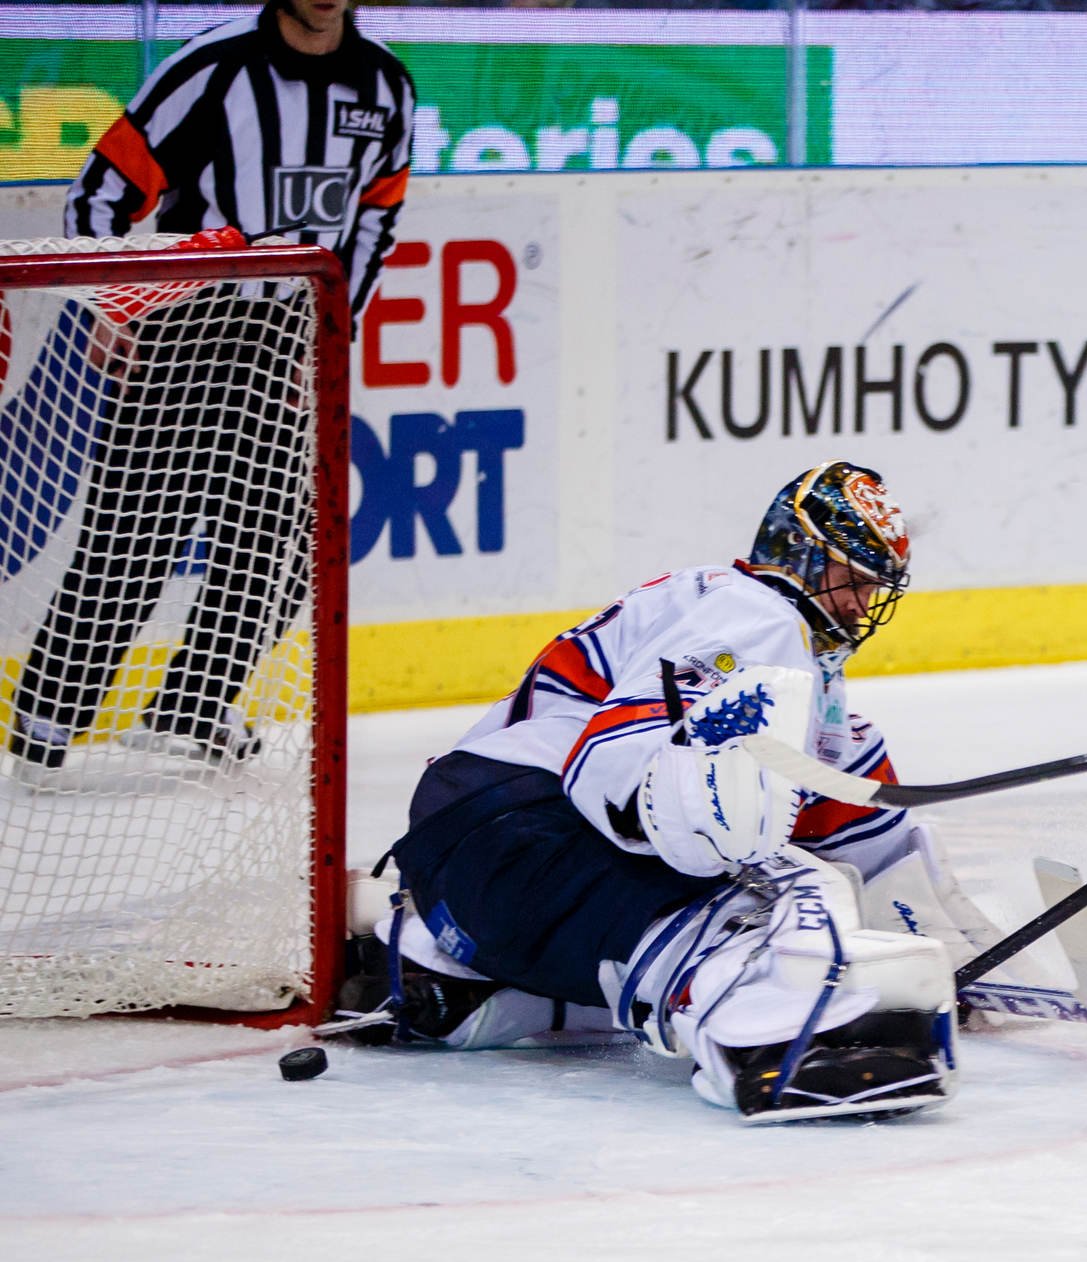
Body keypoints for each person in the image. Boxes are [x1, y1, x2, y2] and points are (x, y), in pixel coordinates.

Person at [339, 462, 1008, 1123]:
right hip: (529, 827)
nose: (861, 605)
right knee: (786, 891)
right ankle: (793, 1040)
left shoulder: (765, 651)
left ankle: (445, 982)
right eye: (850, 580)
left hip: (468, 859)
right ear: (800, 554)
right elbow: (617, 771)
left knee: (648, 962)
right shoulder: (761, 617)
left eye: (873, 587)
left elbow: (873, 841)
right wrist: (721, 852)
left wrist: (964, 965)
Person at [8, 0, 414, 771]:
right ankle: (48, 718)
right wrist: (113, 303)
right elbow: (103, 188)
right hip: (186, 321)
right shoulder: (211, 64)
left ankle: (191, 706)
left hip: (287, 330)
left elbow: (374, 217)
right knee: (135, 530)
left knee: (284, 539)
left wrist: (333, 328)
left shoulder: (387, 85)